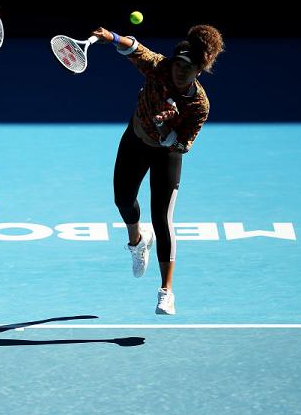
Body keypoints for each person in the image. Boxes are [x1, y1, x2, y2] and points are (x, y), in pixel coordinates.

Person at [91, 24, 225, 315]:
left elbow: (184, 145)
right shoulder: (160, 68)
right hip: (135, 141)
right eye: (178, 64)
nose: (180, 71)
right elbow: (136, 49)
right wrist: (111, 37)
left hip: (167, 154)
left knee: (162, 219)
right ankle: (137, 241)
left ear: (198, 72)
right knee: (123, 200)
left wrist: (166, 128)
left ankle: (166, 291)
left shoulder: (199, 105)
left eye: (187, 68)